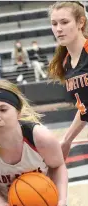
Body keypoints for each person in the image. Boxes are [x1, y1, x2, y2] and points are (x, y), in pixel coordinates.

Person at [48, 1, 88, 160]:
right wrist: (67, 139)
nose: (58, 29)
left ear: (81, 22)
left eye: (64, 22)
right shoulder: (65, 63)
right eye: (54, 23)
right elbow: (85, 108)